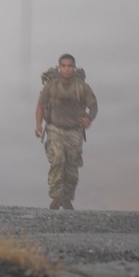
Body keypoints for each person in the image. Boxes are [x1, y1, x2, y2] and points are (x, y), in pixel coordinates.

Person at [35, 53, 98, 210]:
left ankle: (67, 198)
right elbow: (40, 105)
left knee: (71, 167)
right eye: (63, 66)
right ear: (59, 68)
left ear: (74, 68)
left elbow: (93, 106)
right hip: (55, 128)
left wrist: (89, 119)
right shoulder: (51, 86)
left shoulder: (82, 87)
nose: (67, 69)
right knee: (57, 160)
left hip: (74, 131)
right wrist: (38, 125)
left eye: (70, 66)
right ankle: (56, 197)